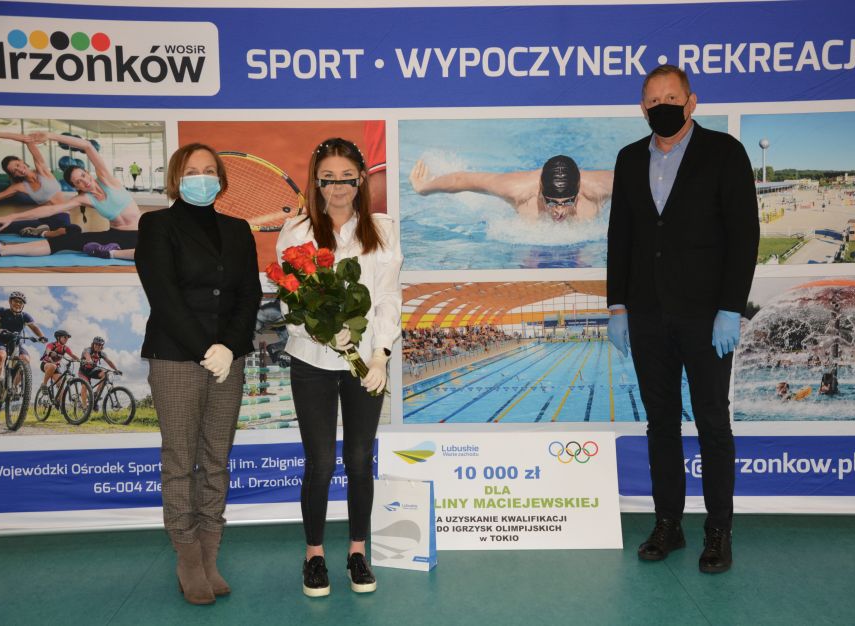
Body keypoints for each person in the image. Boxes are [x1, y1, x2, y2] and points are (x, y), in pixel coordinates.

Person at [606, 65, 759, 574]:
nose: (663, 107)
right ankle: (668, 524)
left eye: (672, 98)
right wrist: (617, 306)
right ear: (642, 108)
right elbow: (621, 236)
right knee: (661, 424)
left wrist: (730, 308)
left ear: (691, 102)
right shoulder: (630, 158)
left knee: (713, 422)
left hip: (707, 317)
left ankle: (718, 531)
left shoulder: (724, 153)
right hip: (648, 316)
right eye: (653, 101)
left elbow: (744, 235)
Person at [276, 137, 402, 598]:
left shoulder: (382, 230)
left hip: (364, 364)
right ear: (316, 182)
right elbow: (290, 302)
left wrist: (379, 352)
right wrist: (322, 331)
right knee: (322, 462)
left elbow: (387, 296)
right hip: (311, 360)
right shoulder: (296, 232)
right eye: (328, 179)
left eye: (346, 178)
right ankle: (314, 555)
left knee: (359, 460)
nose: (338, 187)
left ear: (361, 179)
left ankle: (357, 552)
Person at [136, 142, 261, 605]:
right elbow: (163, 294)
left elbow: (249, 293)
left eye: (210, 170)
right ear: (176, 178)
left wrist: (229, 346)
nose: (202, 178)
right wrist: (205, 348)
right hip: (176, 357)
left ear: (221, 179)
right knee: (180, 460)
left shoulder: (237, 229)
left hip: (229, 359)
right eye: (192, 171)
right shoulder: (157, 225)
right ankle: (187, 557)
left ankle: (210, 553)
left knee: (215, 459)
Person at [0, 132, 139, 261]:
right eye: (78, 182)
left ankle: (111, 253)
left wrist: (51, 136)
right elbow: (51, 210)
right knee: (64, 241)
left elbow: (87, 146)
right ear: (76, 187)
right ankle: (1, 250)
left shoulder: (106, 179)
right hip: (114, 235)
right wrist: (11, 217)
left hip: (139, 234)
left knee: (146, 250)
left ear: (87, 172)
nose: (84, 181)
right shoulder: (85, 198)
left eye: (83, 176)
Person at [409, 154, 612, 222]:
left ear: (578, 193)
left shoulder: (597, 189)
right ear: (541, 191)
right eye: (551, 202)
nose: (559, 211)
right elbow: (462, 179)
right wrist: (423, 188)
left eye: (567, 202)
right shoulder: (517, 190)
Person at [0, 130, 75, 237]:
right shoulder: (20, 186)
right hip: (43, 218)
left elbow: (28, 140)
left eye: (17, 165)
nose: (19, 170)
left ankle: (44, 232)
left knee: (69, 231)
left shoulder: (42, 170)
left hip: (61, 216)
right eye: (15, 171)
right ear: (14, 175)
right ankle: (43, 231)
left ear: (21, 161)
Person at [0, 291, 46, 402]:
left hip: (16, 343)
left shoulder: (24, 316)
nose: (18, 304)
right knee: (1, 356)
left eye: (21, 302)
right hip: (0, 341)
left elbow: (34, 326)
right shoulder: (2, 311)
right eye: (16, 301)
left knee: (25, 359)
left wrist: (41, 336)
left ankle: (13, 386)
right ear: (10, 302)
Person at [78, 336, 120, 409]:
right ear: (93, 344)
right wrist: (89, 360)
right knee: (85, 386)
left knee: (105, 374)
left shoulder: (101, 353)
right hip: (83, 371)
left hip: (92, 370)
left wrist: (116, 369)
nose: (98, 346)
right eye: (96, 344)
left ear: (102, 346)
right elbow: (87, 355)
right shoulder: (88, 350)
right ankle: (84, 407)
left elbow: (109, 361)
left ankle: (96, 394)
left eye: (100, 345)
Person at [40, 330, 78, 395]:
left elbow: (72, 355)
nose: (66, 339)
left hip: (56, 367)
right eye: (65, 337)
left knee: (60, 385)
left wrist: (81, 360)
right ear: (58, 337)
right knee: (53, 366)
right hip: (46, 364)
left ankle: (59, 401)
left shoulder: (65, 348)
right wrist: (50, 353)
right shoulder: (51, 345)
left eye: (67, 338)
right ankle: (44, 384)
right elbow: (48, 350)